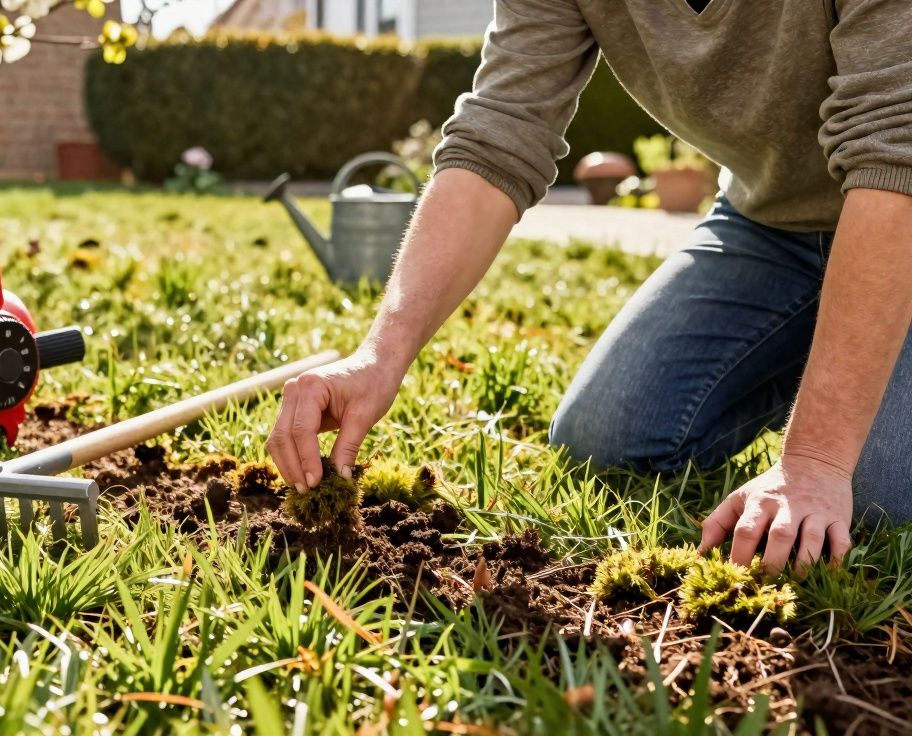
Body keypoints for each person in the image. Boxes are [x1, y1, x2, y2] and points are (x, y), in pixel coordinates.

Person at [265, 0, 912, 576]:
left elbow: (895, 151)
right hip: (770, 224)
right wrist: (380, 355)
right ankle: (844, 342)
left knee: (871, 496)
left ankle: (860, 352)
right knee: (606, 437)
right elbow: (499, 135)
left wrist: (815, 460)